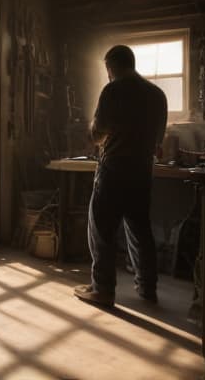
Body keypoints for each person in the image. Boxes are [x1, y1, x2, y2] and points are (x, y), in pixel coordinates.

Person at [74, 45, 167, 307]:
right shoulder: (158, 95)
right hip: (141, 173)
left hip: (114, 170)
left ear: (112, 66)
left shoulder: (113, 91)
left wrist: (92, 129)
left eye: (107, 70)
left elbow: (97, 134)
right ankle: (147, 287)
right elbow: (159, 140)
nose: (107, 75)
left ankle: (102, 289)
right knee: (140, 229)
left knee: (101, 229)